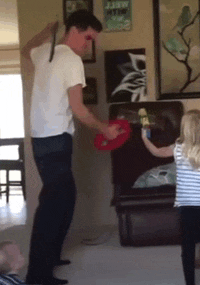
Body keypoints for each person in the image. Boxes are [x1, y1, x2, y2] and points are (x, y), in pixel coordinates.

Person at [21, 10, 121, 285]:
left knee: (64, 199)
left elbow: (26, 49)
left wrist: (46, 29)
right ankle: (37, 275)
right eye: (88, 38)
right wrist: (104, 128)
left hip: (42, 139)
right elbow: (78, 108)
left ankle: (50, 256)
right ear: (76, 29)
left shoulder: (44, 51)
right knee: (53, 207)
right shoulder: (71, 59)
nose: (89, 45)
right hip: (55, 140)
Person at [141, 109, 200, 285]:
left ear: (185, 129)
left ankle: (190, 282)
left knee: (187, 247)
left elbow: (157, 152)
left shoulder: (178, 149)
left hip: (186, 208)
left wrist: (144, 138)